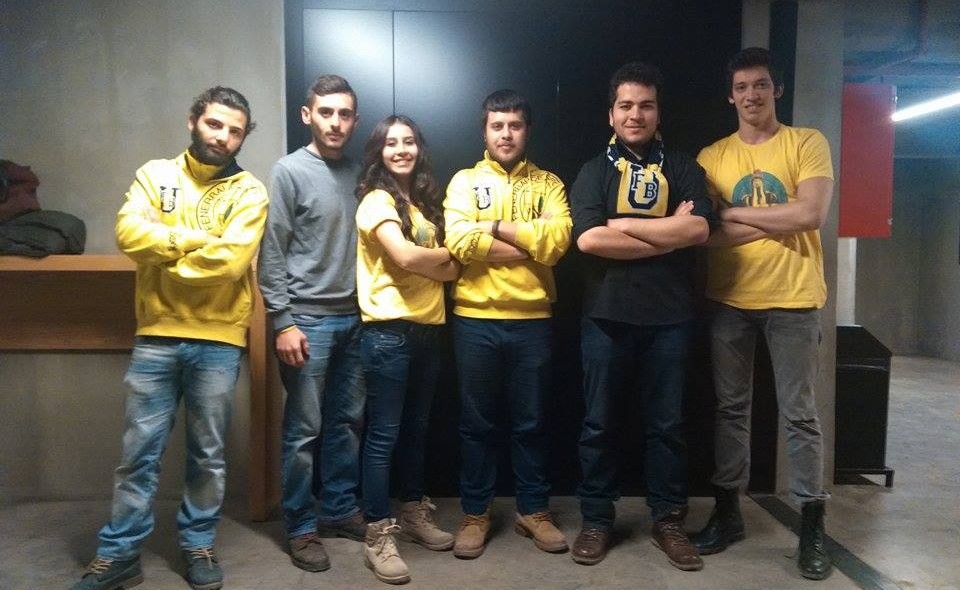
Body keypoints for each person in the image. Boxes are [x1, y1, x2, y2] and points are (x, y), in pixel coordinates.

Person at [70, 87, 268, 590]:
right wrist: (192, 240)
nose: (223, 136)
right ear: (193, 121)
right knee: (138, 454)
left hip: (219, 340)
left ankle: (197, 543)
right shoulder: (155, 175)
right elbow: (128, 234)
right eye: (215, 124)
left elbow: (230, 264)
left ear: (243, 138)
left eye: (235, 131)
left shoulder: (250, 192)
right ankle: (119, 555)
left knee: (208, 455)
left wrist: (164, 258)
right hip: (156, 335)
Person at [692, 47, 835, 580]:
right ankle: (728, 513)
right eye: (742, 87)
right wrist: (781, 217)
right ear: (730, 96)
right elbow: (706, 234)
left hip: (794, 299)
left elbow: (812, 214)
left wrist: (736, 214)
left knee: (800, 415)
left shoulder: (807, 142)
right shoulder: (712, 157)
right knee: (731, 411)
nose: (751, 95)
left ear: (777, 90)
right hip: (730, 300)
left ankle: (812, 524)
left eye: (760, 85)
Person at [568, 62, 713, 570]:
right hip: (605, 318)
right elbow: (589, 239)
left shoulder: (682, 166)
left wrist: (622, 227)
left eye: (646, 105)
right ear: (611, 114)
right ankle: (596, 520)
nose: (636, 114)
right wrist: (667, 233)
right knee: (598, 425)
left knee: (667, 427)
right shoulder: (594, 170)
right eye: (626, 105)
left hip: (670, 318)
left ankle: (668, 521)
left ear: (658, 112)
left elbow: (699, 230)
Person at [443, 89, 572, 559]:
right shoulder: (464, 181)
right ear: (484, 131)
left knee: (531, 423)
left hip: (532, 320)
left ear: (527, 130)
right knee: (476, 425)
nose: (506, 134)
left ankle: (533, 510)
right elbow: (458, 242)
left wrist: (492, 227)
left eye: (515, 125)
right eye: (497, 125)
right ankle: (475, 514)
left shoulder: (549, 184)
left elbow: (558, 243)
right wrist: (530, 243)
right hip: (475, 320)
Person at [256, 74, 366, 572]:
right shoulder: (289, 171)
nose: (335, 122)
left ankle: (339, 508)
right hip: (306, 322)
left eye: (344, 114)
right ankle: (301, 527)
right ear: (308, 115)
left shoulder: (362, 173)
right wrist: (282, 323)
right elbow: (272, 252)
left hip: (357, 320)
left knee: (347, 424)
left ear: (354, 120)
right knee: (304, 431)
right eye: (326, 112)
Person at [354, 115, 460, 584]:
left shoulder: (420, 204)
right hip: (388, 334)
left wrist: (437, 263)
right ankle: (377, 534)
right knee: (383, 437)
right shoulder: (376, 200)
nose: (401, 149)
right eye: (391, 142)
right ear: (379, 151)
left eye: (409, 141)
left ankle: (413, 513)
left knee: (416, 432)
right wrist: (446, 259)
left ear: (419, 148)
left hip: (427, 331)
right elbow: (405, 256)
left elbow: (447, 271)